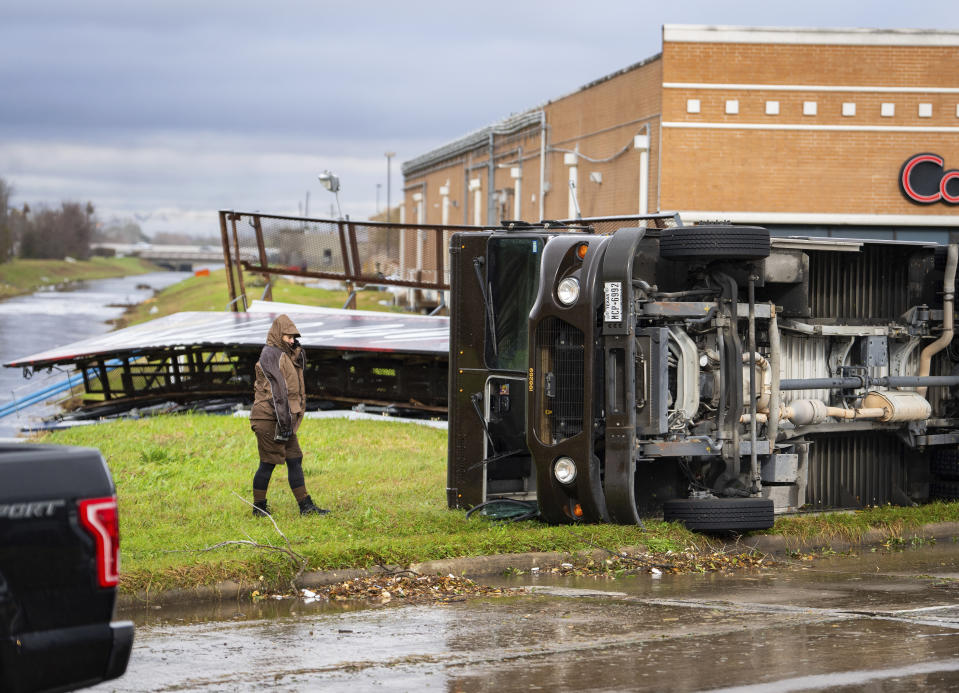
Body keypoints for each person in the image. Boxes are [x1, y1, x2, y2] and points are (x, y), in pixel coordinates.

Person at [250, 314, 328, 517]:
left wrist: (297, 350)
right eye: (288, 337)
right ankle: (259, 509)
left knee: (295, 459)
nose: (292, 340)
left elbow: (296, 374)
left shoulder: (285, 354)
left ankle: (306, 507)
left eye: (294, 337)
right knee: (267, 463)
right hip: (269, 418)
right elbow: (278, 393)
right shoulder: (270, 355)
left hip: (282, 418)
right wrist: (285, 424)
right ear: (278, 335)